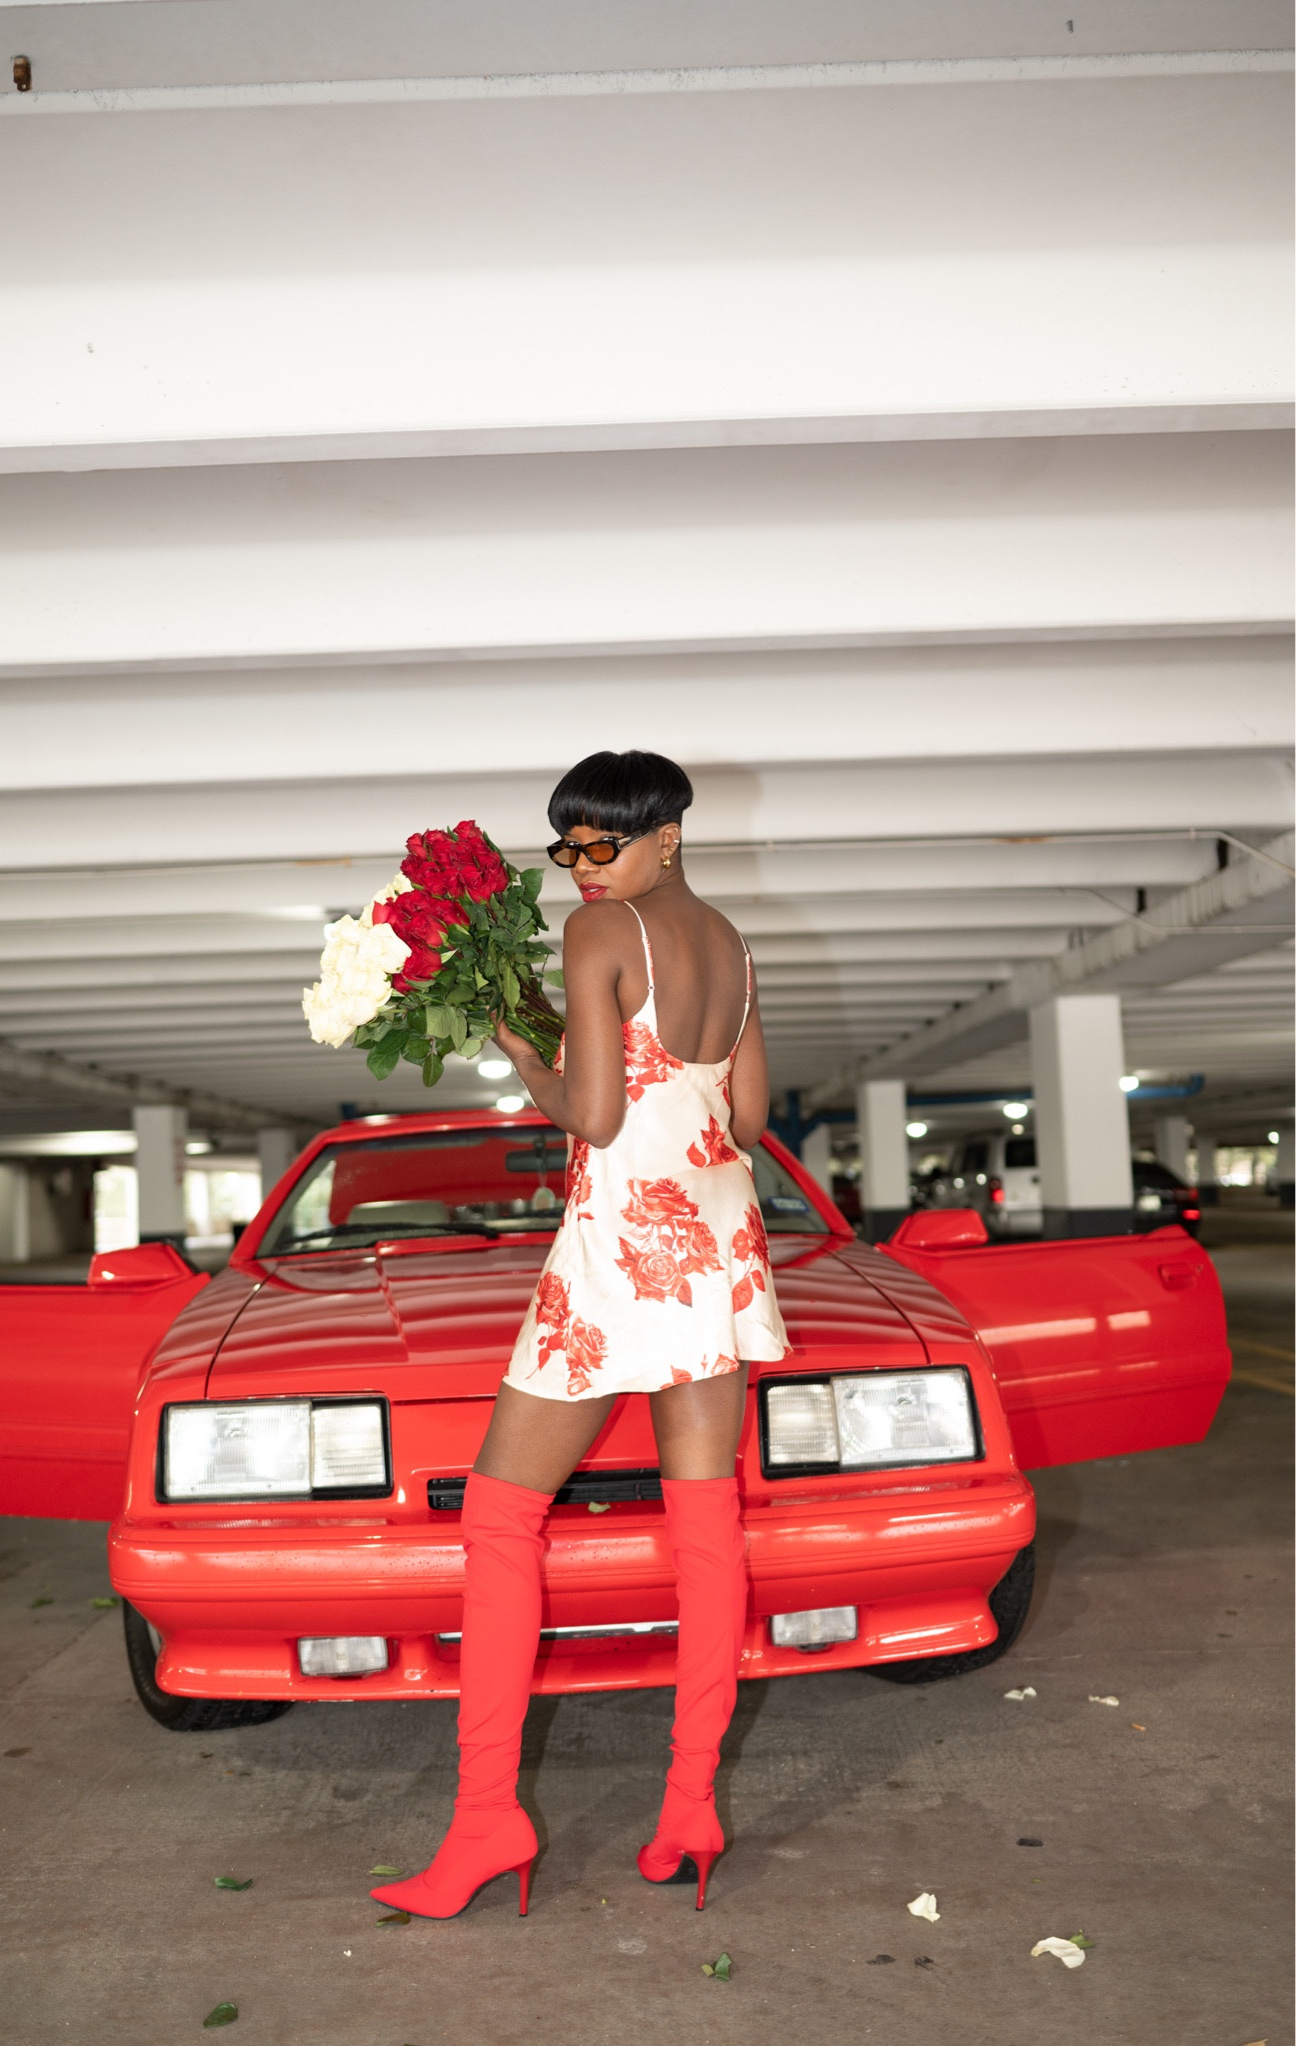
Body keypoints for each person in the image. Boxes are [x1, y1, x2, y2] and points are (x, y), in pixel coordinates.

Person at [371, 749, 788, 1921]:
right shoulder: (734, 946)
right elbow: (746, 1117)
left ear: (667, 833)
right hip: (713, 1240)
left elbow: (595, 1114)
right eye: (567, 848)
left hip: (620, 1245)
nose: (581, 869)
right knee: (707, 1526)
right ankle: (690, 1805)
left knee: (501, 1521)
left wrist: (517, 1051)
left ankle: (484, 1824)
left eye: (602, 845)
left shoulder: (600, 934)